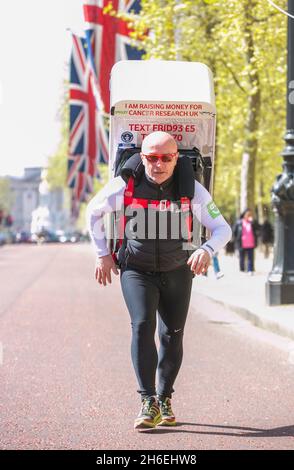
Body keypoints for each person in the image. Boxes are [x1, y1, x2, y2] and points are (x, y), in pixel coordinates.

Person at [86, 132, 232, 430]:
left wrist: (206, 250)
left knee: (172, 335)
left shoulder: (192, 189)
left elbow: (223, 229)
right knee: (142, 325)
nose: (159, 164)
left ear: (176, 158)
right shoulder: (124, 184)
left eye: (167, 157)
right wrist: (102, 254)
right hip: (136, 269)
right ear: (142, 157)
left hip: (177, 270)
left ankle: (165, 398)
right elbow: (93, 211)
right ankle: (147, 400)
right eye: (152, 157)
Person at [233, 208, 259, 275]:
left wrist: (253, 222)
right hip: (242, 243)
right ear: (244, 215)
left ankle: (250, 270)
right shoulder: (239, 222)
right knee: (242, 258)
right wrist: (236, 240)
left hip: (251, 243)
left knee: (251, 258)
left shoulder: (252, 222)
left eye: (250, 214)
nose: (249, 215)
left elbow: (258, 229)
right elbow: (235, 232)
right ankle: (242, 270)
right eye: (247, 214)